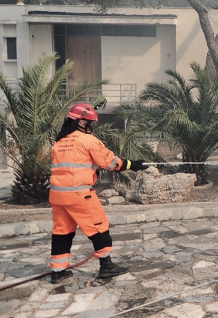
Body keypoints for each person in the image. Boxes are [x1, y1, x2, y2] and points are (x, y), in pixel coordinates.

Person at [48, 102, 148, 283]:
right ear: (81, 122)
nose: (92, 127)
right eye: (90, 123)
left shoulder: (59, 143)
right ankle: (106, 265)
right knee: (99, 226)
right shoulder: (87, 141)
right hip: (79, 194)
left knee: (62, 232)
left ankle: (58, 271)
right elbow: (110, 162)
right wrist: (133, 165)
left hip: (57, 196)